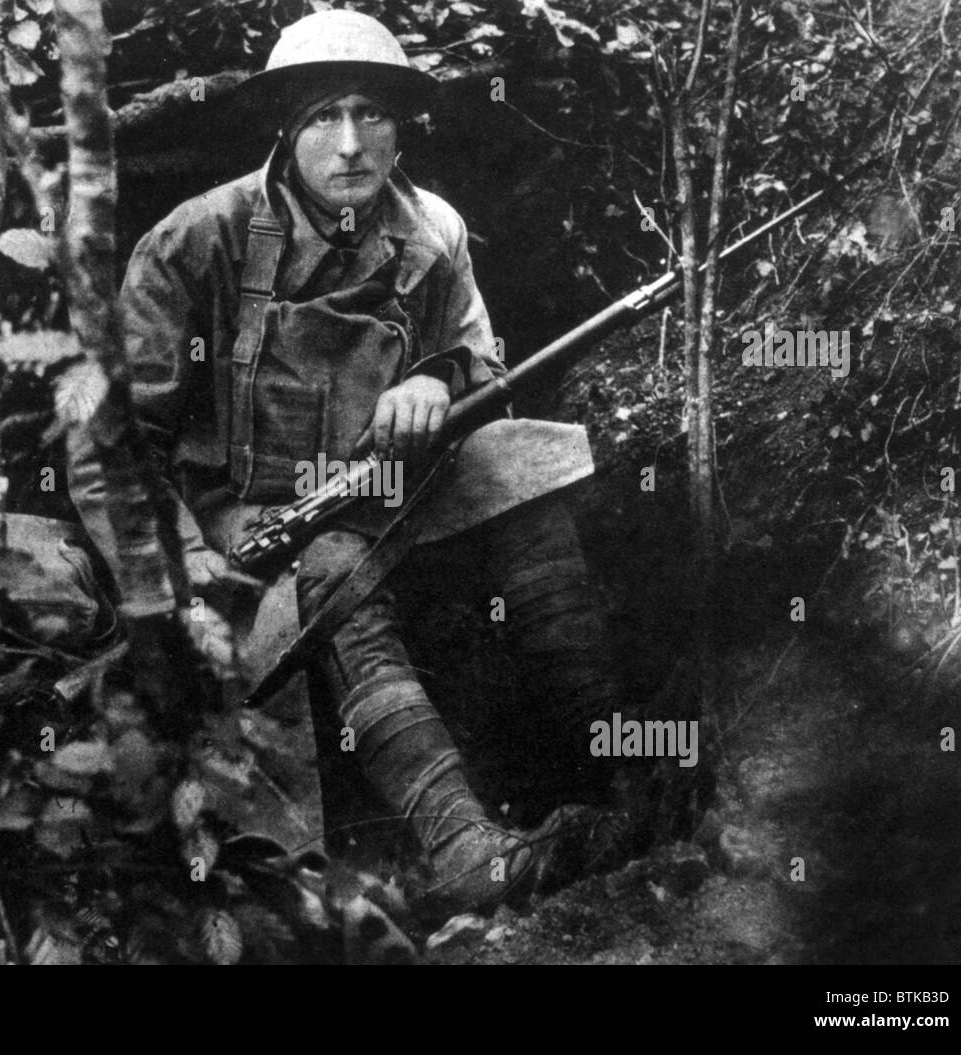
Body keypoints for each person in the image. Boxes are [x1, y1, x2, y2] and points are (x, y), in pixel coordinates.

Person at [67, 9, 618, 913]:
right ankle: (460, 846)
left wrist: (440, 378)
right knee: (332, 568)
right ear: (286, 125)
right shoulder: (194, 242)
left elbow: (485, 364)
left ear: (404, 127)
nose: (353, 144)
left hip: (400, 495)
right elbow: (111, 446)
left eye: (374, 114)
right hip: (252, 530)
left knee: (523, 466)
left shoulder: (434, 230)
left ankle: (617, 771)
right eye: (326, 115)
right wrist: (188, 571)